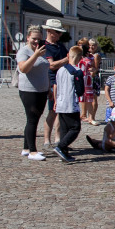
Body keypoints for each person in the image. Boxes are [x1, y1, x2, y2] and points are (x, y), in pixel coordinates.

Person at [16, 25, 50, 161]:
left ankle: (26, 148)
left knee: (34, 119)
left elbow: (44, 70)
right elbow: (23, 68)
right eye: (34, 39)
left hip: (42, 90)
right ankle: (33, 151)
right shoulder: (24, 51)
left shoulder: (41, 51)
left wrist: (49, 88)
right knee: (32, 119)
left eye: (39, 40)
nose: (36, 42)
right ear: (28, 38)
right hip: (29, 90)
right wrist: (35, 54)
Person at [41, 18, 69, 149]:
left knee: (61, 112)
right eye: (57, 32)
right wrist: (67, 59)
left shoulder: (61, 46)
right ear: (49, 31)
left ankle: (58, 139)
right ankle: (47, 140)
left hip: (63, 82)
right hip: (52, 83)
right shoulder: (45, 46)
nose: (59, 35)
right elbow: (51, 65)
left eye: (60, 32)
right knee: (52, 111)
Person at [52, 46, 84, 163]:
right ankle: (60, 147)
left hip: (60, 103)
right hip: (70, 104)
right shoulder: (77, 71)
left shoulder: (60, 70)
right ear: (80, 58)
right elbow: (80, 91)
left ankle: (64, 153)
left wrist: (55, 100)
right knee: (75, 128)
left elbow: (55, 85)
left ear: (68, 56)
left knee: (64, 129)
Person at [76, 37, 98, 126]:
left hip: (87, 79)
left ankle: (91, 118)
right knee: (76, 98)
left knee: (89, 99)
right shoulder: (76, 55)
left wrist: (93, 70)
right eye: (79, 45)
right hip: (77, 78)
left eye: (83, 45)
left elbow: (94, 67)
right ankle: (77, 116)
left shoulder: (90, 56)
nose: (81, 47)